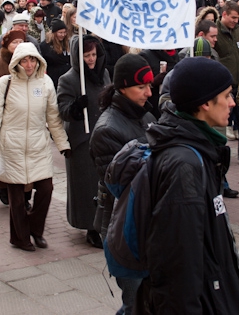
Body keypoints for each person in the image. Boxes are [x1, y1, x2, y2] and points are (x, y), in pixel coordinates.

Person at [140, 57, 239, 314]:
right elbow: (177, 263)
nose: (233, 103)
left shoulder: (200, 150)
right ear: (204, 102)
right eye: (227, 95)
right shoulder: (185, 165)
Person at [90, 54, 156, 315]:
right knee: (135, 302)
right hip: (124, 229)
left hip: (145, 224)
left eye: (150, 85)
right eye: (142, 87)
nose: (148, 93)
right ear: (122, 87)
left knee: (146, 301)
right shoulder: (107, 129)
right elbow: (125, 186)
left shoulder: (146, 116)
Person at [0, 42, 70, 251]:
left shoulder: (45, 83)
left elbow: (53, 117)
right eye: (24, 60)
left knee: (46, 189)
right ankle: (20, 238)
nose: (28, 64)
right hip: (12, 144)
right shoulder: (4, 83)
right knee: (16, 197)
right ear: (16, 61)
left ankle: (35, 229)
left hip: (38, 144)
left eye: (32, 59)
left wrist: (62, 143)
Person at [56, 35, 109, 248]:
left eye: (94, 54)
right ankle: (90, 226)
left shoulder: (103, 73)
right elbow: (62, 109)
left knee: (103, 184)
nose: (91, 59)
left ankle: (104, 223)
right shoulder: (68, 79)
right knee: (86, 186)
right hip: (82, 140)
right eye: (86, 55)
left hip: (103, 136)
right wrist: (76, 108)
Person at [214, 1, 239, 163]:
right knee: (222, 119)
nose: (236, 21)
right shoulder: (215, 32)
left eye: (238, 18)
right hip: (224, 84)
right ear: (224, 15)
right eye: (233, 17)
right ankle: (219, 152)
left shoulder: (238, 30)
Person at [39, 19, 70, 88]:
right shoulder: (45, 46)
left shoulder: (67, 43)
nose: (63, 35)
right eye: (60, 33)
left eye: (64, 32)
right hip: (54, 78)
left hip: (67, 77)